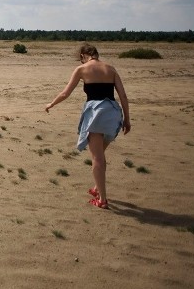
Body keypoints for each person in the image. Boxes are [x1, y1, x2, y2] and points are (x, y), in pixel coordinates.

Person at [45, 43, 131, 209]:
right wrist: (127, 119)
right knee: (100, 154)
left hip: (95, 114)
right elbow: (123, 96)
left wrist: (51, 104)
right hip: (113, 113)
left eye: (80, 58)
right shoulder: (111, 69)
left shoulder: (81, 69)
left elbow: (65, 93)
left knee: (97, 158)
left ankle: (102, 200)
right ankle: (97, 188)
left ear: (84, 55)